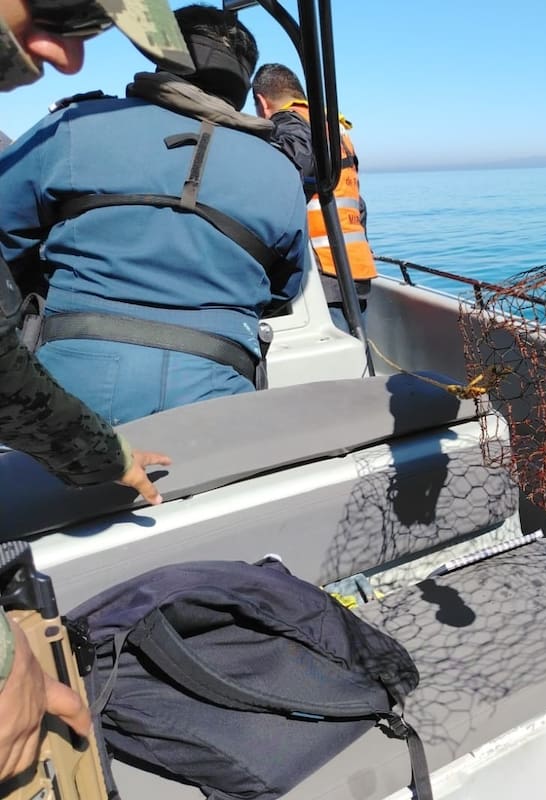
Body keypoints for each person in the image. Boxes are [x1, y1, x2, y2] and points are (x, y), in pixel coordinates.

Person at [0, 0, 193, 782]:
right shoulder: (280, 161)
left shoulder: (66, 133)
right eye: (56, 8)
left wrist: (95, 450)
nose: (68, 59)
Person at [0, 4, 309, 427]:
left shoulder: (74, 125)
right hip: (221, 397)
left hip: (66, 393)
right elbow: (283, 290)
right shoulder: (282, 172)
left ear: (163, 56)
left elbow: (6, 232)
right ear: (242, 82)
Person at [252, 62, 377, 334]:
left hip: (322, 271)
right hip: (354, 265)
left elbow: (290, 168)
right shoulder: (332, 128)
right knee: (355, 351)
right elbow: (358, 204)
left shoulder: (290, 122)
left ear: (262, 102)